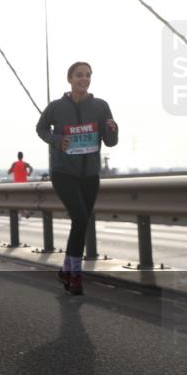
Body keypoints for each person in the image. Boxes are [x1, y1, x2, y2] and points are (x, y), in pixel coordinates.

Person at [36, 62, 119, 296]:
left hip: (90, 175)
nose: (84, 79)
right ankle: (76, 275)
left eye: (88, 75)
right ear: (70, 79)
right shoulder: (56, 107)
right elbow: (41, 129)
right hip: (64, 173)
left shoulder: (101, 106)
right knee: (81, 217)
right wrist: (57, 139)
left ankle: (67, 270)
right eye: (79, 75)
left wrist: (113, 129)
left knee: (80, 222)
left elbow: (110, 141)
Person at [8, 151, 34, 218]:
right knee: (24, 198)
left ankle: (22, 213)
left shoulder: (14, 164)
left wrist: (13, 170)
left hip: (17, 185)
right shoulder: (25, 164)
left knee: (18, 199)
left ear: (18, 156)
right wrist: (28, 173)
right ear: (22, 156)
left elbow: (9, 172)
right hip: (24, 184)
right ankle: (23, 212)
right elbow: (31, 168)